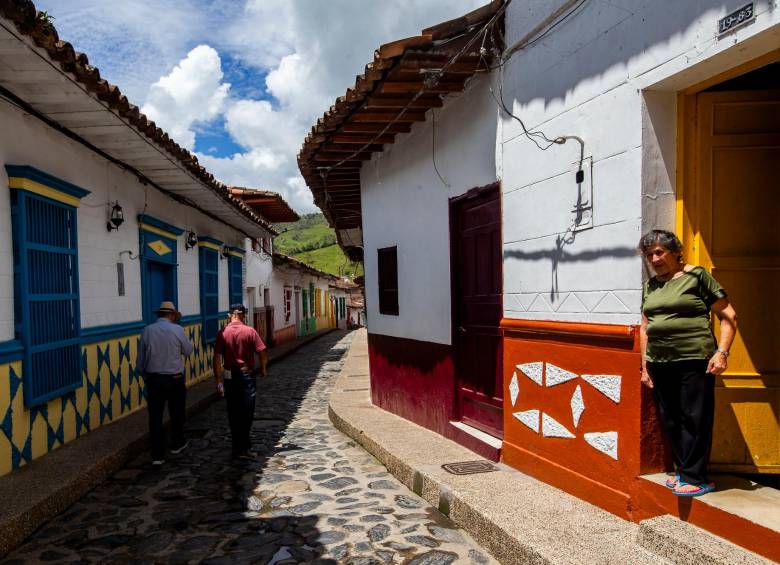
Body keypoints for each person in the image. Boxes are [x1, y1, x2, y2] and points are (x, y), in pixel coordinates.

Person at [638, 230, 737, 497]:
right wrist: (644, 365)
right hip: (660, 360)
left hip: (694, 358)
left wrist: (722, 352)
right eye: (649, 255)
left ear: (675, 251)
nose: (655, 259)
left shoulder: (697, 276)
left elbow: (728, 316)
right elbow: (646, 326)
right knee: (671, 418)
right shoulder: (651, 285)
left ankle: (697, 477)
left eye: (660, 252)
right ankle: (683, 471)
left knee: (695, 417)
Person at [137, 301, 194, 466]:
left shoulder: (147, 330)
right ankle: (177, 443)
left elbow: (141, 360)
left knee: (155, 417)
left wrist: (145, 376)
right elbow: (188, 351)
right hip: (175, 379)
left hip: (154, 379)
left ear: (159, 314)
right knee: (177, 413)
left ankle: (157, 455)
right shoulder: (177, 330)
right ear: (171, 315)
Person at [214, 304, 268, 459]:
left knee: (233, 411)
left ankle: (236, 447)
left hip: (229, 376)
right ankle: (244, 448)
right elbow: (262, 351)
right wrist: (264, 368)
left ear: (229, 315)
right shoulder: (250, 331)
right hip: (246, 375)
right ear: (243, 315)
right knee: (247, 412)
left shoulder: (222, 333)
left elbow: (217, 357)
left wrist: (219, 381)